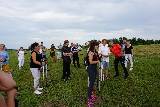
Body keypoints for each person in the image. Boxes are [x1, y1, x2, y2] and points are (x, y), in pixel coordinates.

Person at [87, 40, 99, 107]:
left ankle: (91, 95)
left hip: (94, 68)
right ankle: (89, 100)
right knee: (91, 83)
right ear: (94, 46)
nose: (98, 46)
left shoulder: (95, 52)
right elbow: (91, 62)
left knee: (93, 81)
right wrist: (98, 61)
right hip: (91, 68)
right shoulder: (91, 52)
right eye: (97, 45)